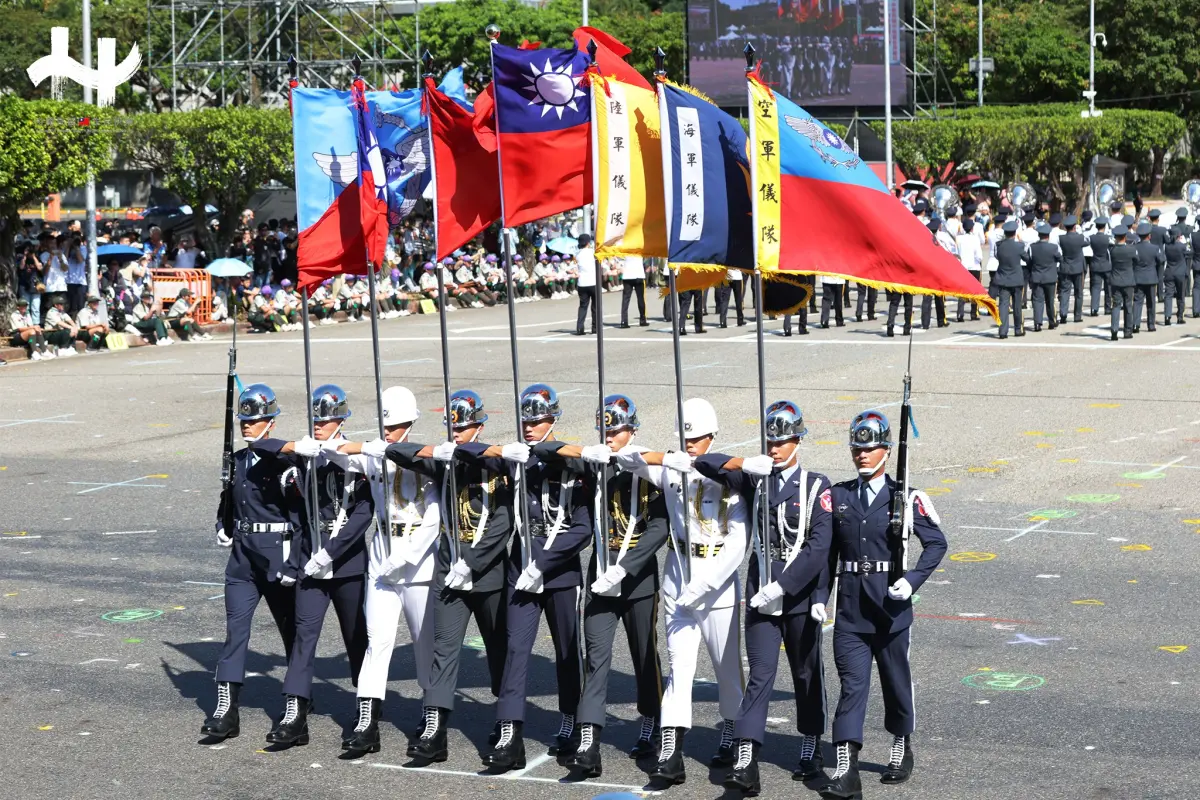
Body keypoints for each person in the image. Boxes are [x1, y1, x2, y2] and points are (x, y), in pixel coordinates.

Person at [613, 399, 748, 787]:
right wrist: (667, 457)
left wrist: (705, 584)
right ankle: (671, 752)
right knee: (679, 668)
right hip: (678, 572)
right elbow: (626, 456)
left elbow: (739, 543)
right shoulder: (673, 469)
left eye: (698, 439)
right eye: (685, 438)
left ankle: (733, 736)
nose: (691, 445)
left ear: (712, 436)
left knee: (726, 669)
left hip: (716, 579)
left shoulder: (730, 479)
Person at [816, 411, 947, 799]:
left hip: (890, 611)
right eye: (857, 447)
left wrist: (911, 580)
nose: (862, 454)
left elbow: (936, 543)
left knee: (894, 682)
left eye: (870, 447)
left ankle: (902, 742)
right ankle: (846, 767)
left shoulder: (904, 498)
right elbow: (827, 555)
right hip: (852, 611)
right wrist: (820, 600)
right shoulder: (838, 497)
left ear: (887, 451)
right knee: (851, 687)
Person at [537, 394, 668, 777]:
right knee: (596, 658)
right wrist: (588, 451)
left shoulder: (646, 466)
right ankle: (590, 741)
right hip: (600, 574)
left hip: (637, 578)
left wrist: (625, 568)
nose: (611, 435)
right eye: (605, 429)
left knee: (645, 656)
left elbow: (659, 527)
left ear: (633, 430)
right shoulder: (597, 462)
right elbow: (545, 448)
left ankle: (650, 724)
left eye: (617, 429)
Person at [383, 390, 512, 764]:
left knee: (498, 650)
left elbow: (502, 525)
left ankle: (506, 723)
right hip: (448, 572)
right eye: (452, 425)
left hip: (486, 573)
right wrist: (437, 452)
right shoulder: (445, 460)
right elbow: (394, 451)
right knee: (443, 650)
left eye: (465, 425)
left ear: (480, 425)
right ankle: (435, 729)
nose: (457, 431)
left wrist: (470, 562)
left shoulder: (496, 464)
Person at [481, 384, 593, 771]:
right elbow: (463, 454)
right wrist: (496, 450)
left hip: (559, 573)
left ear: (553, 419)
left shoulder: (571, 464)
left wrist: (542, 564)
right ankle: (510, 731)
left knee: (566, 651)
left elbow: (582, 530)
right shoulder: (517, 458)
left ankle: (570, 721)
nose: (530, 426)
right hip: (520, 568)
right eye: (526, 420)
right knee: (515, 650)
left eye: (539, 419)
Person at [265, 386, 372, 747]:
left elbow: (363, 513)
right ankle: (295, 710)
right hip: (311, 564)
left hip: (347, 563)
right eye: (315, 419)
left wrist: (333, 551)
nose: (320, 425)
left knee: (356, 636)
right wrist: (292, 448)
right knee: (302, 636)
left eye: (326, 419)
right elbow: (260, 449)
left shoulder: (355, 458)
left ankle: (366, 703)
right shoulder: (304, 455)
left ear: (341, 420)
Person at [338, 386, 439, 755]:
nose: (389, 432)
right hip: (381, 559)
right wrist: (364, 445)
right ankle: (367, 720)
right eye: (386, 425)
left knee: (423, 643)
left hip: (417, 565)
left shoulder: (423, 459)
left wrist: (408, 555)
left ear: (410, 423)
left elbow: (434, 516)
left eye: (396, 426)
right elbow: (335, 452)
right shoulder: (374, 454)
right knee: (376, 641)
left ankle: (431, 713)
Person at [201, 384, 301, 741]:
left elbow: (301, 516)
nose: (247, 425)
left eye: (255, 420)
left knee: (293, 634)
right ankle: (226, 711)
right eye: (244, 419)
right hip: (242, 560)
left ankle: (298, 703)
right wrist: (222, 526)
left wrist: (295, 564)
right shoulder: (239, 461)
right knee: (235, 633)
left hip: (277, 556)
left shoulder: (287, 462)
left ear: (270, 423)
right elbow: (227, 502)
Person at [993, 220, 1027, 339]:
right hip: (1016, 279)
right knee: (1017, 305)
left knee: (1003, 305)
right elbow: (1027, 258)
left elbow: (997, 257)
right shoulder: (1019, 246)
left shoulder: (999, 245)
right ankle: (1018, 329)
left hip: (1003, 277)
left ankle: (1003, 330)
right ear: (1014, 233)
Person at [1023, 222, 1060, 332]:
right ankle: (1052, 321)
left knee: (1037, 300)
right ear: (1048, 236)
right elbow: (1060, 258)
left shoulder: (1032, 247)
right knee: (1050, 300)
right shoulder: (1053, 247)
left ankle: (1037, 323)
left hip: (1037, 276)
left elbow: (1029, 261)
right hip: (1050, 277)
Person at [1132, 222, 1164, 333]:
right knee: (1151, 302)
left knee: (1137, 302)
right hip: (1151, 278)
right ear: (1149, 235)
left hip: (1138, 278)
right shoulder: (1154, 248)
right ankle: (1151, 325)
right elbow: (1161, 260)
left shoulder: (1134, 247)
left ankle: (1135, 324)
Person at [1108, 225, 1138, 341]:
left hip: (1115, 280)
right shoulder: (1131, 249)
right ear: (1125, 237)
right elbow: (1137, 261)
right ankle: (1127, 331)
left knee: (1116, 305)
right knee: (1128, 305)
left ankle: (1114, 330)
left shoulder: (1112, 250)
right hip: (1128, 280)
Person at [1057, 215, 1087, 324]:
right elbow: (1087, 242)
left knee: (1065, 292)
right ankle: (1077, 315)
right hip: (1078, 268)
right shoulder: (1079, 238)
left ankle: (1063, 314)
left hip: (1066, 267)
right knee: (1078, 293)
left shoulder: (1062, 238)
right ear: (1074, 226)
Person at [955, 218, 983, 322]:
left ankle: (960, 314)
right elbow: (979, 256)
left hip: (963, 266)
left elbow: (956, 253)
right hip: (974, 267)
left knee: (962, 291)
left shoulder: (958, 238)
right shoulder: (975, 238)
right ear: (972, 228)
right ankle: (973, 313)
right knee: (975, 291)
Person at [1162, 226, 1191, 326]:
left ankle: (1167, 316)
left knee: (1168, 295)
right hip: (1180, 273)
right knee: (1180, 295)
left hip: (1169, 271)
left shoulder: (1167, 246)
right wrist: (1184, 243)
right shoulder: (1182, 246)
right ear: (1179, 236)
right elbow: (1189, 253)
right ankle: (1180, 317)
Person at [1088, 219, 1113, 317]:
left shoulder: (1092, 238)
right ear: (1105, 226)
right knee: (1108, 288)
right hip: (1106, 265)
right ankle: (1108, 308)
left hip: (1095, 264)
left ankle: (1094, 308)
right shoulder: (1107, 238)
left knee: (1095, 288)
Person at [574, 235, 599, 336]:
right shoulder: (593, 252)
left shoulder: (577, 254)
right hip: (593, 282)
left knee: (583, 306)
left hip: (582, 283)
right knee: (595, 307)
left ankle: (580, 328)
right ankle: (595, 328)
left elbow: (574, 267)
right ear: (588, 243)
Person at [619, 256, 649, 328]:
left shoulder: (625, 247)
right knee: (640, 298)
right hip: (638, 274)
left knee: (625, 299)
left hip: (627, 275)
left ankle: (624, 321)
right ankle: (642, 319)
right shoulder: (639, 247)